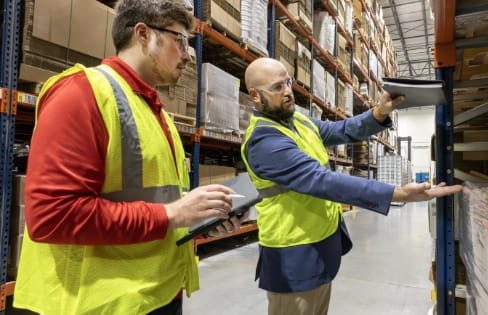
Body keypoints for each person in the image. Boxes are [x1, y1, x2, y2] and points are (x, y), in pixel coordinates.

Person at [13, 0, 247, 314]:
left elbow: (154, 197)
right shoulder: (81, 93)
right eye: (180, 40)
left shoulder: (154, 110)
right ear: (143, 33)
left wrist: (200, 218)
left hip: (155, 293)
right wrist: (172, 215)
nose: (189, 55)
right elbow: (52, 217)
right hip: (98, 303)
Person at [241, 57, 463, 315]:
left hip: (319, 245)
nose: (288, 91)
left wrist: (379, 112)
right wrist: (397, 193)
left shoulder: (298, 121)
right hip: (293, 257)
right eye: (277, 87)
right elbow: (322, 181)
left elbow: (341, 129)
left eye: (288, 82)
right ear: (255, 96)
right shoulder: (264, 141)